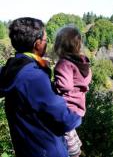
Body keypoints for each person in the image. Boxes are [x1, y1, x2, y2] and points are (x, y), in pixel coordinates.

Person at [0, 17, 81, 157]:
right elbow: (65, 119)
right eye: (45, 40)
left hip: (27, 149)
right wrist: (77, 114)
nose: (46, 44)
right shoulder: (33, 77)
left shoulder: (11, 68)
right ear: (37, 44)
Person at [54, 25, 92, 157]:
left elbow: (65, 86)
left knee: (64, 131)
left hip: (68, 108)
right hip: (79, 107)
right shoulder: (83, 62)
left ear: (60, 46)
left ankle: (75, 153)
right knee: (70, 130)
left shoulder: (64, 64)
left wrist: (54, 84)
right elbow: (85, 80)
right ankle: (78, 146)